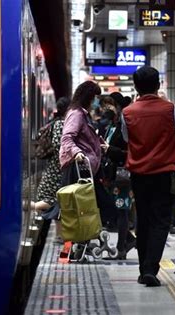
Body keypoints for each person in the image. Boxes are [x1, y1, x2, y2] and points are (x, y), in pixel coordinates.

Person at [121, 66, 175, 286]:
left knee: (144, 219)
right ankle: (151, 268)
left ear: (136, 87)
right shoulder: (170, 109)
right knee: (161, 221)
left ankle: (144, 269)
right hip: (165, 173)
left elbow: (125, 137)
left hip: (139, 174)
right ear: (158, 85)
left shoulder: (128, 112)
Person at [59, 81, 119, 245]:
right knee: (93, 205)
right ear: (88, 97)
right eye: (94, 98)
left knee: (90, 205)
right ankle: (83, 240)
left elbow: (85, 137)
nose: (95, 102)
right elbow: (67, 138)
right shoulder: (77, 114)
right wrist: (77, 152)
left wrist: (99, 143)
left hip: (86, 168)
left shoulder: (81, 113)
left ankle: (85, 240)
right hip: (78, 168)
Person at [100, 97, 136, 259]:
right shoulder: (115, 123)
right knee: (116, 209)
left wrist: (109, 149)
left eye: (109, 105)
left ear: (117, 106)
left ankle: (122, 248)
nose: (106, 108)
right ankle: (128, 240)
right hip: (114, 173)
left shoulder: (125, 124)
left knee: (121, 210)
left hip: (123, 173)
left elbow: (129, 152)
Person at [32, 97, 70, 243]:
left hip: (55, 167)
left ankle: (59, 235)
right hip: (57, 169)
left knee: (58, 202)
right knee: (53, 200)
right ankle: (27, 207)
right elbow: (57, 144)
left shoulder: (57, 123)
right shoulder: (61, 124)